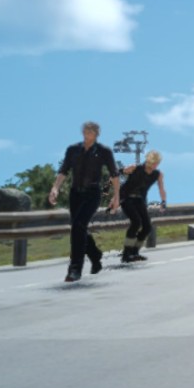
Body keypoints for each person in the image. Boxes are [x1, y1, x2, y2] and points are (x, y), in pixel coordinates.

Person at [48, 121, 120, 283]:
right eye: (86, 131)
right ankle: (95, 255)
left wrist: (116, 196)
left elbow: (114, 174)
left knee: (79, 226)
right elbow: (63, 170)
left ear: (97, 134)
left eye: (91, 131)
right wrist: (55, 188)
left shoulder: (104, 151)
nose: (88, 134)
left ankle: (75, 269)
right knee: (78, 228)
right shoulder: (73, 150)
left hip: (92, 194)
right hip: (75, 194)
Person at [118, 150, 168, 263]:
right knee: (136, 222)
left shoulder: (158, 174)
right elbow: (117, 173)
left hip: (139, 199)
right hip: (126, 198)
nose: (154, 165)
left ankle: (134, 252)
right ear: (148, 161)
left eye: (157, 163)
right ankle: (126, 254)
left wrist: (163, 202)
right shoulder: (135, 168)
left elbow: (161, 189)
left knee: (147, 227)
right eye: (153, 162)